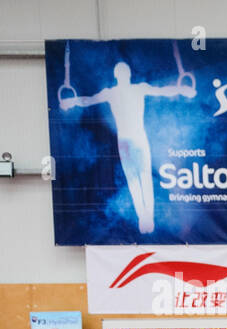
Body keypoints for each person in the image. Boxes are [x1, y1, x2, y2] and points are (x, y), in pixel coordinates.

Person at [59, 59, 196, 234]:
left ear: (118, 76)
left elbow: (87, 100)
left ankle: (145, 217)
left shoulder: (119, 92)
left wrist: (71, 102)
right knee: (140, 179)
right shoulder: (130, 90)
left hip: (129, 140)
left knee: (138, 179)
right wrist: (183, 90)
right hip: (133, 140)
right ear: (125, 75)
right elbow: (163, 91)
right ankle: (145, 217)